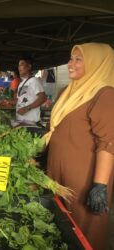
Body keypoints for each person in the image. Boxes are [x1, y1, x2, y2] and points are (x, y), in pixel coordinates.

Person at [44, 43, 114, 250]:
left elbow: (108, 142)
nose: (70, 64)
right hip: (57, 171)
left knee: (83, 227)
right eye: (71, 58)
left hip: (84, 177)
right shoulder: (68, 90)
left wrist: (100, 185)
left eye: (78, 59)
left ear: (97, 64)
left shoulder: (105, 94)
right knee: (58, 222)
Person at [15, 57, 47, 124]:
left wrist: (27, 108)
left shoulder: (34, 80)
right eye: (18, 65)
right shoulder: (21, 83)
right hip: (21, 120)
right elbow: (21, 99)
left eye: (22, 64)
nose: (19, 67)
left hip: (31, 121)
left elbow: (43, 98)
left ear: (29, 66)